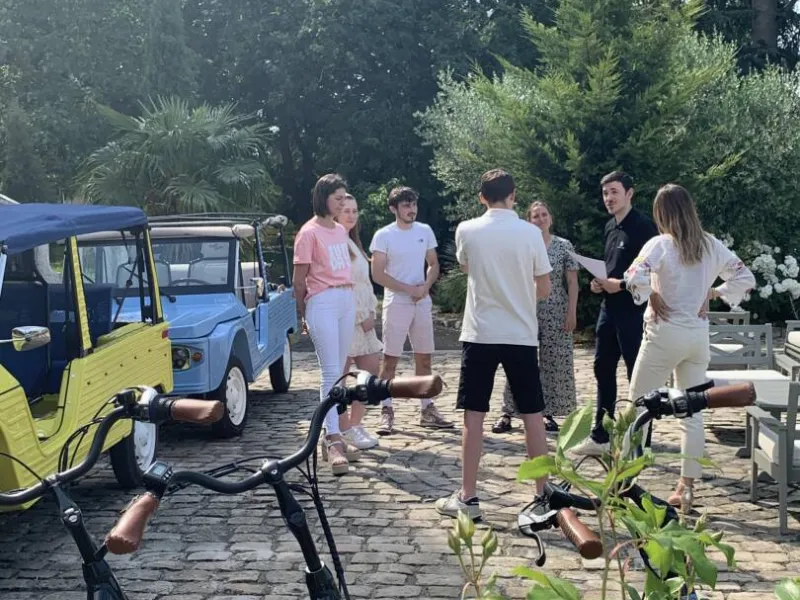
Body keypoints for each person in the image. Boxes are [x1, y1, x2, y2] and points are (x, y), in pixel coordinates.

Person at [624, 183, 755, 513]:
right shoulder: (710, 244)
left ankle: (622, 480)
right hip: (697, 337)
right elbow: (746, 279)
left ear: (661, 213)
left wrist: (652, 293)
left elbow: (634, 275)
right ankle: (687, 488)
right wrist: (713, 293)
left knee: (637, 407)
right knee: (691, 412)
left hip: (663, 335)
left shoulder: (660, 244)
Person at [435, 169, 552, 521]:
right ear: (513, 195)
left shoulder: (467, 230)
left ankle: (468, 497)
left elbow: (466, 266)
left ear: (482, 198)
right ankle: (542, 494)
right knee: (532, 415)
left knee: (474, 416)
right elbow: (544, 288)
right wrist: (519, 296)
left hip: (480, 333)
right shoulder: (531, 233)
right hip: (520, 334)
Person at [572, 171, 659, 457]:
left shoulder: (644, 228)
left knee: (638, 374)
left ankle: (640, 443)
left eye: (614, 192)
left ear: (629, 194)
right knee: (603, 369)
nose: (608, 198)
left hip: (634, 312)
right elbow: (611, 267)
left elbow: (653, 274)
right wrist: (598, 283)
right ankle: (601, 436)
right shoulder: (610, 226)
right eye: (605, 193)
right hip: (608, 310)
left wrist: (619, 284)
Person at [370, 186, 453, 433]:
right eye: (406, 205)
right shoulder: (383, 235)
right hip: (397, 301)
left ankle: (427, 408)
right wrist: (409, 289)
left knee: (424, 357)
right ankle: (386, 409)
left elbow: (433, 264)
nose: (411, 209)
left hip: (421, 300)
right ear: (393, 209)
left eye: (413, 204)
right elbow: (377, 274)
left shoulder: (424, 230)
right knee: (390, 359)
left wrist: (425, 287)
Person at [292, 173, 360, 475]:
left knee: (341, 371)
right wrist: (301, 313)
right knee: (330, 371)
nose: (342, 203)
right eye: (337, 198)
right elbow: (299, 280)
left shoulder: (340, 230)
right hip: (321, 300)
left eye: (345, 198)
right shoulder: (308, 233)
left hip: (346, 298)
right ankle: (332, 438)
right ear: (323, 198)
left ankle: (336, 432)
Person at [493, 201, 579, 434]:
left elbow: (572, 281)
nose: (540, 219)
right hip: (526, 306)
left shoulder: (563, 245)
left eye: (544, 215)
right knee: (518, 359)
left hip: (556, 309)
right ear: (529, 221)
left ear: (550, 218)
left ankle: (546, 412)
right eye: (535, 216)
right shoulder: (523, 244)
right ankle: (508, 411)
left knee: (552, 361)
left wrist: (571, 312)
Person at [337, 193, 381, 450]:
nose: (351, 215)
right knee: (339, 378)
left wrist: (371, 311)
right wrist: (359, 315)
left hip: (365, 318)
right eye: (346, 211)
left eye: (355, 211)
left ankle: (354, 424)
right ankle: (342, 427)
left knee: (369, 373)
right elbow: (342, 285)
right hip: (348, 319)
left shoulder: (353, 242)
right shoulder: (335, 243)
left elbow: (365, 284)